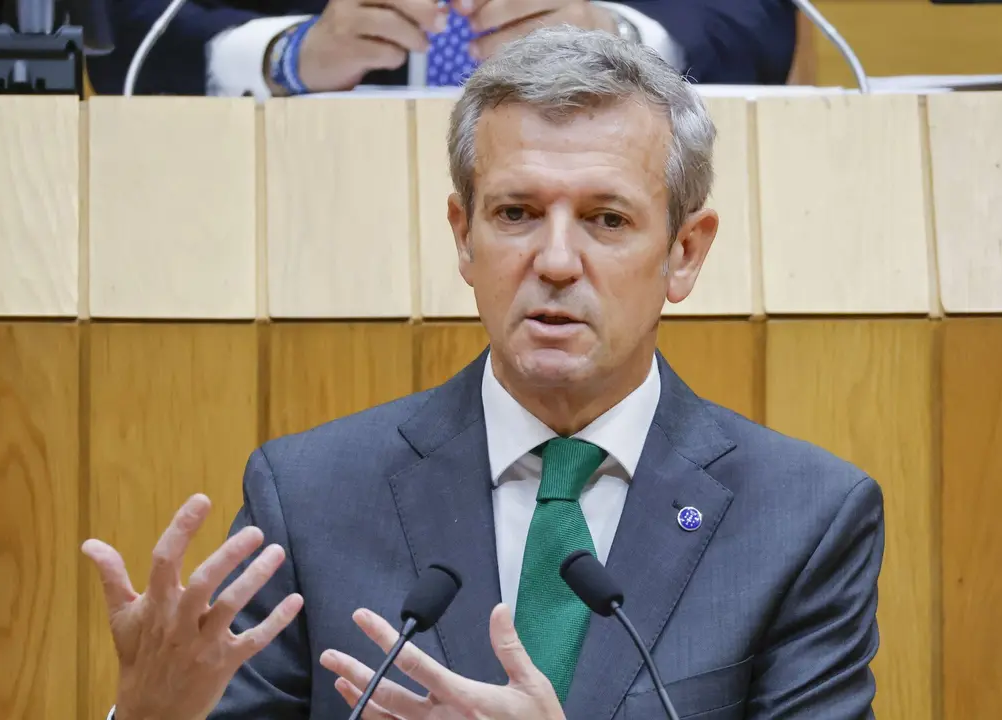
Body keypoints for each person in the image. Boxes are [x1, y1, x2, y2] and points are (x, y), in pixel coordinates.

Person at [84, 26, 884, 720]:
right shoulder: (313, 498)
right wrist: (152, 713)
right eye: (516, 214)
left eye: (608, 220)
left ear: (685, 252)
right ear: (464, 237)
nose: (558, 261)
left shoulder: (800, 520)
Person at [86, 0, 798, 97]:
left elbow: (756, 19)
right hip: (305, 220)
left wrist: (618, 38)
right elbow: (121, 30)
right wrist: (287, 54)